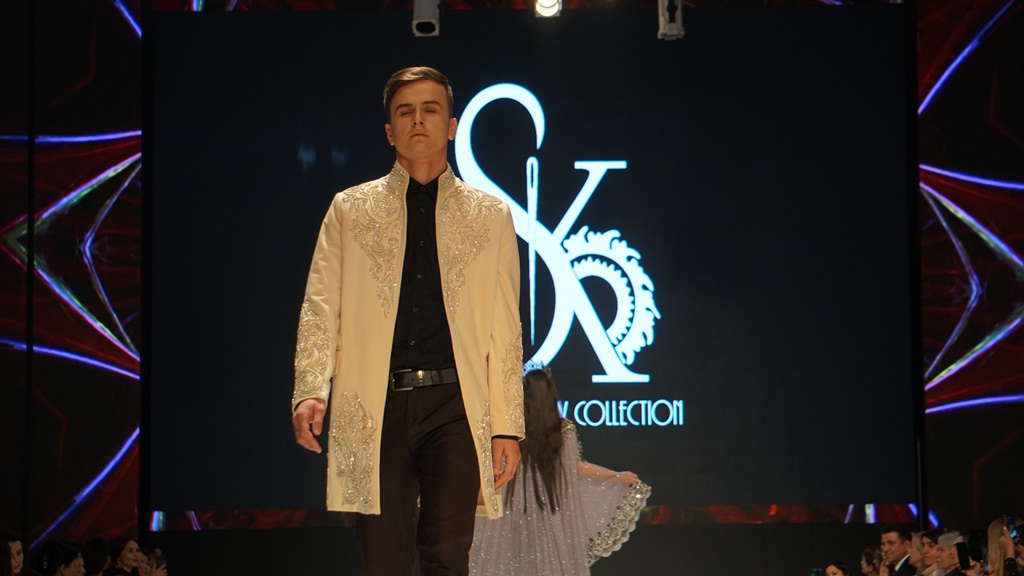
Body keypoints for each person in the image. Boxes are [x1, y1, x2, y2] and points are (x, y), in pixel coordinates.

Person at [290, 66, 524, 576]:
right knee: (384, 558)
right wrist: (311, 389)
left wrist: (507, 425)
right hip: (375, 402)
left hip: (456, 405)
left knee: (448, 553)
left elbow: (505, 328)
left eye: (430, 109)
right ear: (389, 131)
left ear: (452, 125)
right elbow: (320, 306)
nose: (418, 120)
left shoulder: (490, 215)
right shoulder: (350, 209)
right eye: (405, 111)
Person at [469, 367, 651, 576]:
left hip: (507, 508)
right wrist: (615, 476)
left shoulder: (507, 429)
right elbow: (577, 467)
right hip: (547, 511)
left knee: (505, 561)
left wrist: (616, 476)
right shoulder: (562, 430)